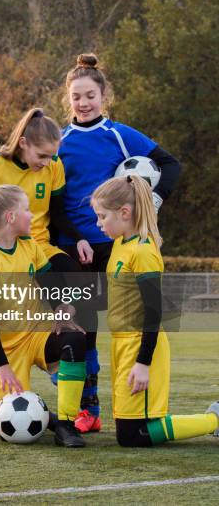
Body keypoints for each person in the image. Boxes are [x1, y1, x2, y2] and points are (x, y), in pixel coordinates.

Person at [58, 53, 181, 433]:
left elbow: (170, 164)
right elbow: (53, 202)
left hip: (118, 248)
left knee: (131, 324)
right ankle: (88, 409)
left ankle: (142, 398)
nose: (84, 102)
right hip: (75, 248)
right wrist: (77, 237)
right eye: (77, 96)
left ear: (103, 96)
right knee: (82, 330)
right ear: (68, 99)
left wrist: (154, 202)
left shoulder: (120, 135)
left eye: (90, 95)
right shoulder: (60, 141)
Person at [0, 108, 102, 429]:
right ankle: (23, 367)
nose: (48, 161)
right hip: (6, 251)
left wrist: (79, 239)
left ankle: (84, 386)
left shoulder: (54, 167)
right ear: (22, 144)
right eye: (42, 155)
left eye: (52, 156)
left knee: (80, 283)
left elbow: (58, 215)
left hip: (40, 247)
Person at [90, 174, 218, 447]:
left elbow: (154, 311)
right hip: (121, 344)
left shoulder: (144, 251)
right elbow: (114, 295)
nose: (98, 224)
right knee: (129, 430)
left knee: (132, 436)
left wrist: (143, 362)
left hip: (140, 345)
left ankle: (215, 420)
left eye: (102, 217)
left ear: (124, 213)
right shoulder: (119, 244)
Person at [0, 183, 89, 447]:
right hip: (6, 350)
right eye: (27, 210)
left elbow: (51, 287)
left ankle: (67, 426)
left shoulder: (30, 246)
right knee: (12, 429)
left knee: (75, 340)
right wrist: (2, 367)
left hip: (39, 334)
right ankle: (49, 419)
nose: (32, 216)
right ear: (11, 217)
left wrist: (62, 308)